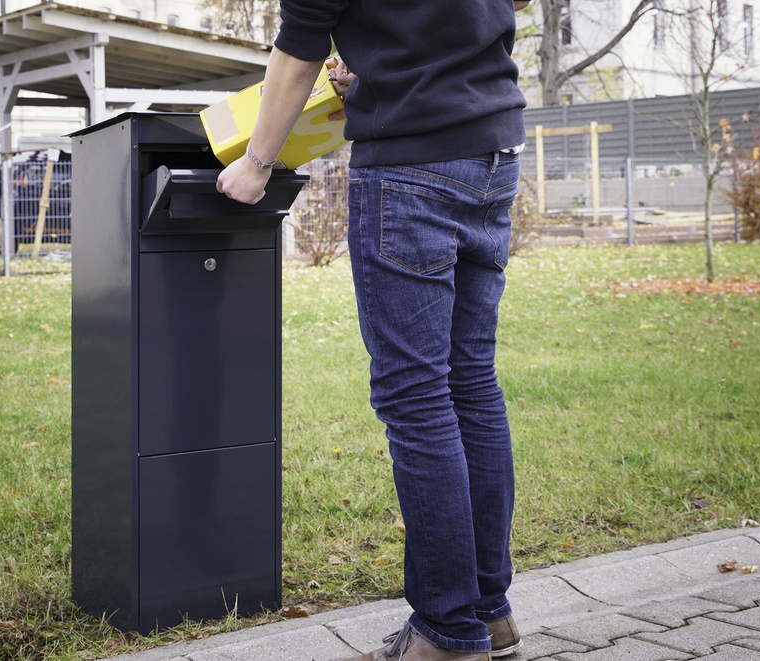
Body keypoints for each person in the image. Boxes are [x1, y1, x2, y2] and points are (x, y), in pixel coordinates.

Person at [216, 0, 527, 659]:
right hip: (493, 156)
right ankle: (489, 613)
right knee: (471, 380)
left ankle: (447, 632)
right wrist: (391, 67)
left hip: (412, 166)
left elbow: (298, 53)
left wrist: (257, 163)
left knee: (415, 396)